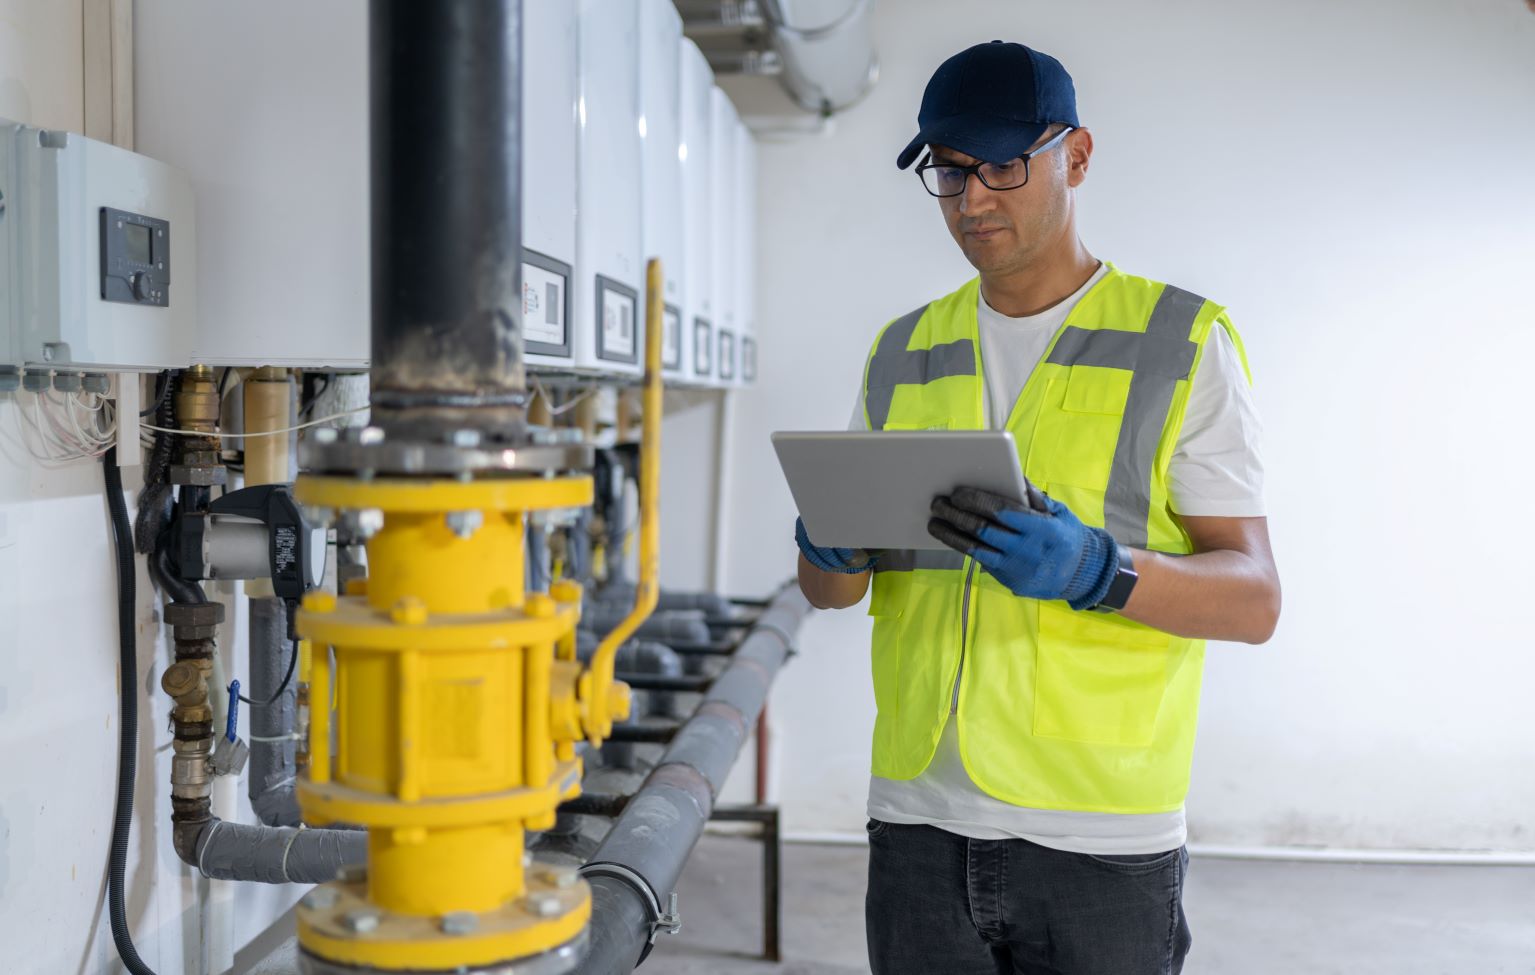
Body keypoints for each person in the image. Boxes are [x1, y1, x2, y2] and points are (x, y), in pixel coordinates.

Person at [794, 40, 1281, 975]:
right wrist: (828, 549)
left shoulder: (1181, 341)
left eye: (1002, 166)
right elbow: (832, 594)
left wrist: (1101, 571)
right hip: (917, 820)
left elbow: (1254, 599)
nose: (972, 199)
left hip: (1097, 834)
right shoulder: (903, 348)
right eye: (950, 171)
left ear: (1077, 156)